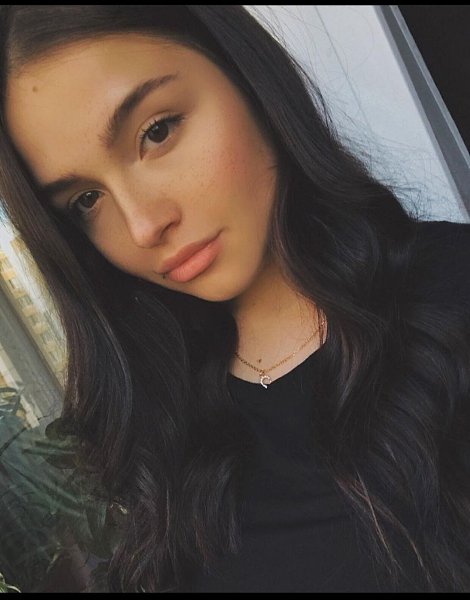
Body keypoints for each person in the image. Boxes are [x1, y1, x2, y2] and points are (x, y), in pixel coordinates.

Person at [0, 5, 469, 594]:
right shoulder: (161, 427)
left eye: (156, 132)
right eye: (86, 200)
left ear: (244, 73)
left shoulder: (453, 294)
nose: (143, 225)